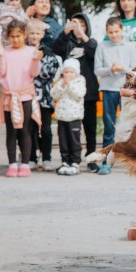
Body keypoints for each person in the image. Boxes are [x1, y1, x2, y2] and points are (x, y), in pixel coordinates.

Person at [0, 19, 42, 178]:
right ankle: (12, 164)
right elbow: (1, 72)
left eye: (19, 36)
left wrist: (36, 60)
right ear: (8, 37)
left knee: (25, 130)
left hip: (25, 96)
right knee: (11, 131)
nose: (16, 39)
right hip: (9, 97)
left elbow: (34, 73)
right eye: (12, 36)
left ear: (24, 35)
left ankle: (25, 163)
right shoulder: (4, 51)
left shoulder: (31, 51)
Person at [53, 13, 99, 163]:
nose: (78, 27)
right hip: (69, 95)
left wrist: (83, 35)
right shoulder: (67, 43)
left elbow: (95, 53)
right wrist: (65, 32)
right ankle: (71, 159)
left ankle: (91, 159)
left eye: (82, 24)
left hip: (88, 92)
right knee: (71, 130)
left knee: (90, 129)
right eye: (75, 24)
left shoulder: (90, 42)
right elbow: (56, 48)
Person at [94, 16, 136, 175]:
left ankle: (131, 161)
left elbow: (134, 70)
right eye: (111, 32)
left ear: (122, 30)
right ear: (107, 32)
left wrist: (122, 69)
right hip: (108, 89)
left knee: (128, 126)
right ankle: (106, 161)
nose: (114, 35)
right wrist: (110, 70)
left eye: (117, 31)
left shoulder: (130, 47)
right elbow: (97, 70)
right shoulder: (102, 47)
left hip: (125, 91)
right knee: (109, 125)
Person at [27, 18, 60, 171]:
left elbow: (49, 72)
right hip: (28, 96)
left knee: (46, 129)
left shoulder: (48, 52)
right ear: (27, 34)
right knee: (30, 128)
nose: (34, 36)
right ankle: (31, 157)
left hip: (45, 97)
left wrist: (35, 66)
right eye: (31, 33)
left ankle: (46, 157)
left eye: (37, 33)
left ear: (42, 34)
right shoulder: (23, 51)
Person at [51, 58, 86, 176]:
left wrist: (69, 84)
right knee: (63, 141)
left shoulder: (80, 81)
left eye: (71, 72)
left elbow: (79, 95)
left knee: (74, 141)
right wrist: (61, 86)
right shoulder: (60, 82)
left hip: (74, 117)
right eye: (66, 72)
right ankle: (65, 161)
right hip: (62, 117)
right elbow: (54, 95)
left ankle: (75, 163)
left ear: (76, 73)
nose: (68, 74)